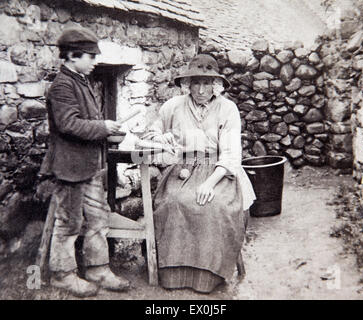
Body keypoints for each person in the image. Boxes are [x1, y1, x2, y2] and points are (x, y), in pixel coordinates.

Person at [144, 54, 256, 293]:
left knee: (215, 206)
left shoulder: (228, 109)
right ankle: (174, 273)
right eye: (197, 83)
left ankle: (209, 275)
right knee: (172, 203)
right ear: (188, 84)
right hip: (182, 170)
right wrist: (160, 137)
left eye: (207, 83)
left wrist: (209, 183)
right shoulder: (173, 106)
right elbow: (150, 132)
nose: (202, 89)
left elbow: (231, 155)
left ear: (216, 85)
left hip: (220, 171)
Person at [40, 27, 130, 297]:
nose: (94, 61)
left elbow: (86, 123)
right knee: (68, 223)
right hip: (69, 168)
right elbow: (68, 125)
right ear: (72, 55)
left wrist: (106, 129)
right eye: (90, 56)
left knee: (98, 219)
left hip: (89, 166)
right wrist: (103, 126)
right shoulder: (63, 85)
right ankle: (63, 275)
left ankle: (98, 269)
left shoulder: (81, 81)